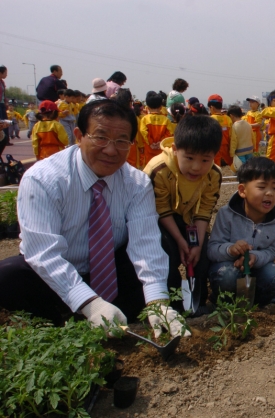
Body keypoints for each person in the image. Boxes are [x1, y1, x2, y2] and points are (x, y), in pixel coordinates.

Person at [0, 99, 190, 337]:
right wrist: (90, 303)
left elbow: (145, 244)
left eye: (122, 141)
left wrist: (157, 301)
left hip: (109, 270)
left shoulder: (136, 183)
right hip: (57, 275)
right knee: (8, 276)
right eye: (100, 138)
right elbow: (44, 254)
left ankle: (153, 317)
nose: (111, 150)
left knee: (163, 244)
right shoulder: (44, 179)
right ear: (79, 136)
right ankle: (58, 322)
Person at [144, 114, 222, 316]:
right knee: (166, 255)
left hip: (190, 220)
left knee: (202, 254)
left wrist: (195, 245)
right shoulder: (159, 170)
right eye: (189, 158)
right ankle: (173, 305)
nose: (197, 167)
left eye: (205, 160)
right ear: (175, 149)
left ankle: (200, 302)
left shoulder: (213, 174)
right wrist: (180, 241)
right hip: (160, 222)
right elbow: (160, 209)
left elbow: (205, 210)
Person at [208, 157, 275, 305]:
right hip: (229, 267)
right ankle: (223, 302)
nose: (270, 193)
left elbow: (271, 252)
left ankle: (260, 302)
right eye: (262, 187)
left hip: (256, 269)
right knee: (226, 276)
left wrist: (254, 257)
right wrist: (230, 250)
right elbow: (212, 249)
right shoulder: (226, 215)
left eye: (274, 187)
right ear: (242, 191)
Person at [140, 91, 172, 165]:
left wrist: (151, 143)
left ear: (147, 107)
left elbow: (143, 132)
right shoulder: (166, 119)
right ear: (161, 107)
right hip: (161, 150)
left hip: (148, 150)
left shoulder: (145, 119)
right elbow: (169, 133)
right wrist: (160, 142)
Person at [207, 94, 233, 168]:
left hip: (215, 146)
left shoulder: (210, 119)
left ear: (211, 107)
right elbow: (231, 134)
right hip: (226, 146)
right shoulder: (227, 118)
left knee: (215, 166)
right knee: (231, 164)